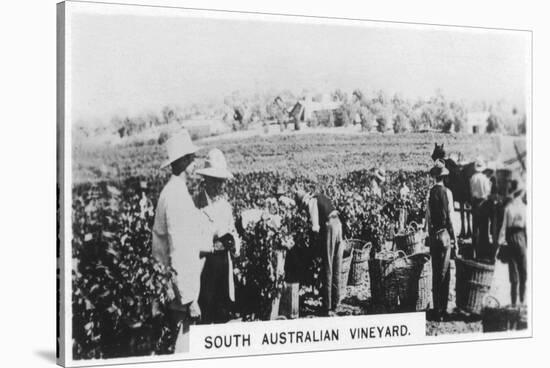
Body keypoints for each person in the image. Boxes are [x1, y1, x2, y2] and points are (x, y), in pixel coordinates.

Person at [151, 130, 215, 353]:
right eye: (192, 157)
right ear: (184, 161)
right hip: (180, 297)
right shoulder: (176, 196)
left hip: (175, 292)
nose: (195, 162)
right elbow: (178, 250)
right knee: (182, 349)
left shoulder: (174, 192)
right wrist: (189, 300)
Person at [194, 148, 241, 324]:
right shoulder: (195, 205)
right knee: (204, 318)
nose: (219, 186)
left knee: (222, 316)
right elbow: (190, 241)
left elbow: (234, 233)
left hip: (223, 269)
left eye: (221, 181)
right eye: (214, 181)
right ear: (205, 180)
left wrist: (233, 244)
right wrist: (213, 246)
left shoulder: (225, 207)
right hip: (204, 271)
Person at [294, 188, 343, 316]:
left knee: (328, 267)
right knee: (337, 265)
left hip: (330, 226)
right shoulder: (320, 196)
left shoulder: (312, 202)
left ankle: (326, 307)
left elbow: (315, 228)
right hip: (338, 223)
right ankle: (336, 303)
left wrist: (314, 247)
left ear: (304, 202)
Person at [425, 159, 457, 321]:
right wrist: (455, 240)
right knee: (445, 273)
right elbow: (451, 218)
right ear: (443, 177)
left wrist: (429, 235)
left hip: (434, 235)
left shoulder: (430, 193)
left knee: (435, 271)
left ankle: (436, 306)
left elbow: (428, 219)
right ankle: (442, 310)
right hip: (444, 235)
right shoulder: (448, 193)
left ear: (434, 177)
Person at [498, 180, 527, 306]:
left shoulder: (508, 208)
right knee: (523, 272)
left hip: (510, 239)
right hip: (521, 238)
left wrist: (500, 244)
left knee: (513, 273)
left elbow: (503, 228)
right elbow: (528, 227)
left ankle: (514, 303)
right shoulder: (525, 208)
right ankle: (521, 301)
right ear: (521, 193)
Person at [470, 157, 492, 256]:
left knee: (475, 228)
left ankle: (474, 250)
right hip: (484, 204)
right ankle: (484, 251)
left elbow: (471, 192)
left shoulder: (472, 178)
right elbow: (488, 193)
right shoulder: (485, 179)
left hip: (475, 203)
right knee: (484, 229)